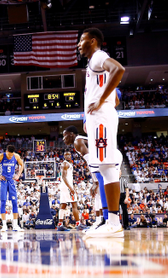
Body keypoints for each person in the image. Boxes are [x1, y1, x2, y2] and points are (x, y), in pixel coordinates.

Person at [78, 27, 125, 238]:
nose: (79, 44)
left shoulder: (99, 56)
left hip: (103, 119)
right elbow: (115, 98)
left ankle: (113, 223)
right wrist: (90, 116)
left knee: (107, 168)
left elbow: (119, 69)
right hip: (98, 119)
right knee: (105, 169)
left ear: (93, 41)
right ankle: (111, 222)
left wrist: (100, 101)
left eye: (82, 40)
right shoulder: (92, 64)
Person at [62, 125, 103, 232]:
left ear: (71, 134)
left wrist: (95, 181)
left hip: (104, 160)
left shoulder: (77, 141)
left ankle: (103, 221)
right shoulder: (79, 140)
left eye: (64, 136)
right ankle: (99, 221)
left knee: (99, 192)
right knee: (98, 194)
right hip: (102, 161)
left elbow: (91, 160)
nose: (63, 139)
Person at [0, 145, 24, 232]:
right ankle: (4, 226)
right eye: (9, 155)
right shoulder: (1, 156)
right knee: (3, 202)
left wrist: (18, 175)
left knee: (15, 202)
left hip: (11, 181)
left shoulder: (16, 156)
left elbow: (22, 165)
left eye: (12, 155)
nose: (10, 156)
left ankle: (15, 225)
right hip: (3, 181)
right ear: (6, 151)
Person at [57, 151, 85, 231]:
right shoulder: (65, 164)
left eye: (69, 154)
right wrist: (71, 188)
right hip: (66, 186)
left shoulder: (67, 164)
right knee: (74, 204)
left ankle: (60, 224)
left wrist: (72, 187)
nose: (68, 156)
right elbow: (64, 177)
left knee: (63, 205)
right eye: (66, 154)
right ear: (64, 156)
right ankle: (78, 224)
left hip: (64, 186)